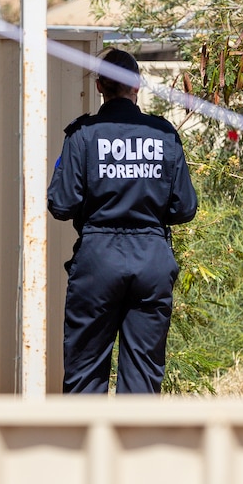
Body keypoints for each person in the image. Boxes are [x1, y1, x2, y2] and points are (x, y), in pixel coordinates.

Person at [47, 48, 198, 394]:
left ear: (99, 85)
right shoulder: (164, 135)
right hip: (151, 258)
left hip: (98, 259)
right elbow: (185, 208)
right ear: (138, 86)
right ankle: (136, 446)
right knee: (143, 375)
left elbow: (61, 204)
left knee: (85, 371)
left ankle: (88, 446)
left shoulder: (83, 135)